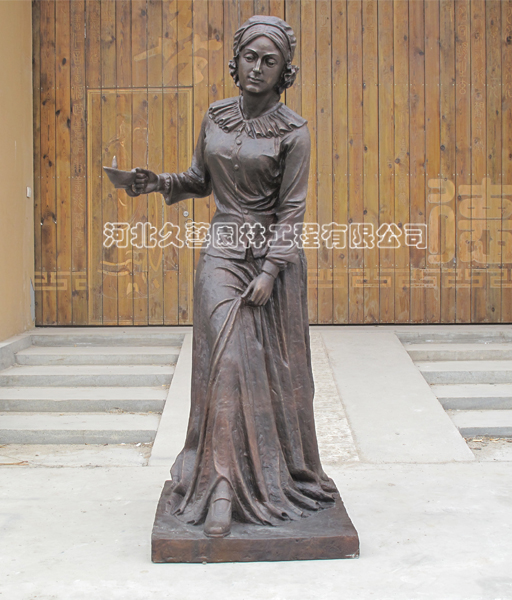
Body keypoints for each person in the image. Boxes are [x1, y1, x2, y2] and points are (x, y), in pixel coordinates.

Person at [129, 15, 336, 538]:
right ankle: (220, 485)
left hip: (272, 263)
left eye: (270, 61)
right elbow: (199, 179)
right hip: (222, 251)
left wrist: (269, 271)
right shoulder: (215, 117)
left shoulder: (294, 132)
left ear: (284, 72)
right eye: (249, 57)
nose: (257, 68)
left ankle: (274, 474)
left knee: (271, 372)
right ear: (235, 62)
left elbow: (292, 210)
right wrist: (158, 183)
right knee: (227, 362)